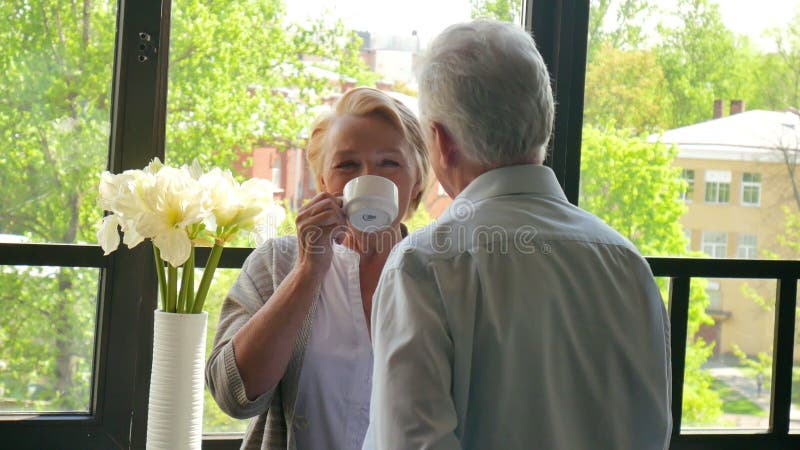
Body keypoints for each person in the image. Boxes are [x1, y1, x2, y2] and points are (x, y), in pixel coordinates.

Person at [365, 20, 672, 450]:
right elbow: (652, 432)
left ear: (440, 142)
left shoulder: (423, 267)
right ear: (544, 121)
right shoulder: (626, 263)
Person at [206, 87, 429, 450]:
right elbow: (232, 395)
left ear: (417, 179)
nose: (369, 176)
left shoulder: (439, 274)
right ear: (324, 182)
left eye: (390, 163)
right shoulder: (277, 263)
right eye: (347, 165)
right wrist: (308, 269)